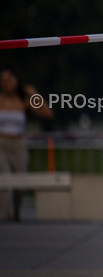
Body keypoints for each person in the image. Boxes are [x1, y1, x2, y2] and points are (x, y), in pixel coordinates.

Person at [1, 68, 54, 220]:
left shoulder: (23, 100)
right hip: (1, 144)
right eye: (3, 81)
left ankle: (15, 213)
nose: (6, 83)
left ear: (16, 80)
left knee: (19, 181)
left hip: (18, 144)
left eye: (9, 79)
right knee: (4, 179)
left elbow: (47, 114)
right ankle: (6, 214)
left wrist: (34, 95)